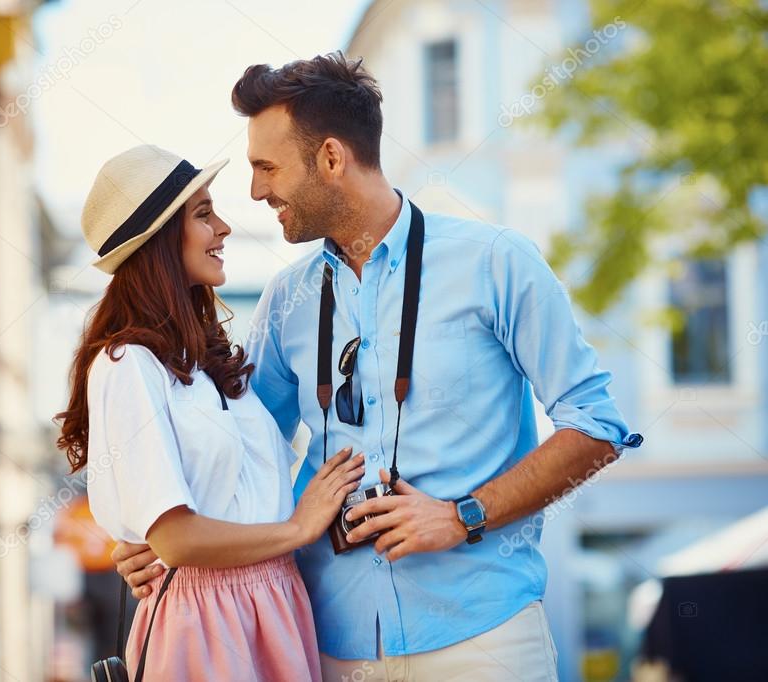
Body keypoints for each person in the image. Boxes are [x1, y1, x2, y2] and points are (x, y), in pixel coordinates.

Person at [113, 53, 643, 681]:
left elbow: (597, 427)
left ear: (331, 159)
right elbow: (241, 455)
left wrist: (462, 514)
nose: (255, 190)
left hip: (483, 640)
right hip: (334, 647)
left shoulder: (498, 264)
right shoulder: (285, 301)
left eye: (266, 167)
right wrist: (165, 537)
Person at [55, 144, 366, 681]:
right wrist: (298, 527)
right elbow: (175, 539)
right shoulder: (126, 364)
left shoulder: (202, 361)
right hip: (204, 617)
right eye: (202, 214)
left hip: (275, 600)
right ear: (157, 242)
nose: (223, 227)